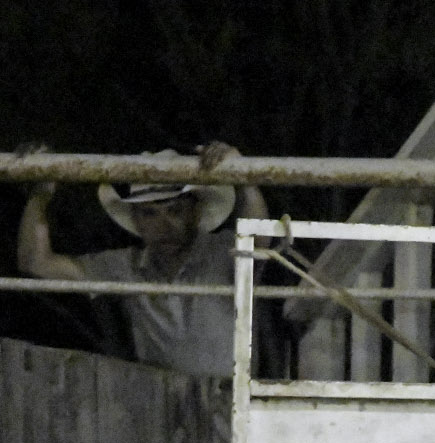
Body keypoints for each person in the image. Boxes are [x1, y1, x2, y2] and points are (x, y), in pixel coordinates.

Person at [17, 143, 268, 378]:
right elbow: (36, 262)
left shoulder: (223, 250)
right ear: (135, 220)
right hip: (161, 399)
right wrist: (40, 194)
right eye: (149, 213)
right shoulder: (126, 265)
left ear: (196, 212)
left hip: (232, 398)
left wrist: (244, 178)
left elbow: (259, 239)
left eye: (175, 210)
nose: (164, 225)